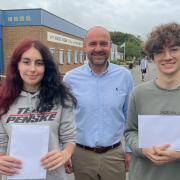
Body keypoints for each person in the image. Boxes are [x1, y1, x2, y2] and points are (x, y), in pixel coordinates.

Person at [0, 39, 77, 180]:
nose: (33, 69)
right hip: (15, 175)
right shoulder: (3, 100)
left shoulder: (60, 98)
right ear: (16, 65)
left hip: (53, 175)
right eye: (26, 62)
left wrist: (65, 154)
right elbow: (1, 143)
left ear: (46, 67)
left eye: (39, 63)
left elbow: (69, 138)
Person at [64, 26, 133, 180]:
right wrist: (64, 151)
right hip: (81, 155)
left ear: (110, 45)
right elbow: (65, 118)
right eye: (93, 44)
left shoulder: (125, 76)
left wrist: (129, 150)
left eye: (103, 44)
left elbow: (130, 115)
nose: (98, 48)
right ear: (84, 46)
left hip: (114, 156)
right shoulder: (70, 78)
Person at [124, 22, 180, 180]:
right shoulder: (139, 93)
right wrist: (144, 149)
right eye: (160, 51)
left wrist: (177, 153)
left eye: (174, 49)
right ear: (152, 57)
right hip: (143, 175)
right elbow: (130, 132)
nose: (167, 57)